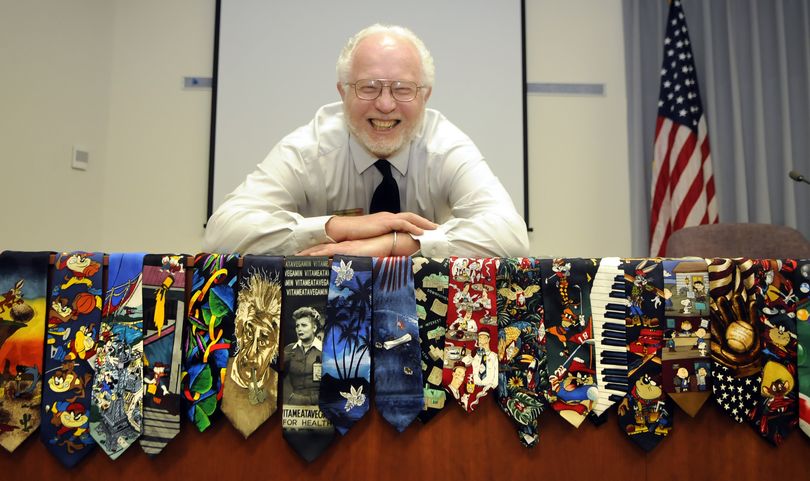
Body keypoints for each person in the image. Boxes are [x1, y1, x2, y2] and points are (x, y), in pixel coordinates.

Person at [203, 24, 529, 258]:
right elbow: (221, 232)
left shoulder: (445, 146)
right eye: (368, 87)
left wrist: (399, 243)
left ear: (425, 95)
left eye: (402, 89)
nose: (385, 104)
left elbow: (511, 236)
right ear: (343, 91)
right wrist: (336, 229)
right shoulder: (309, 148)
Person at [282, 307, 323, 405]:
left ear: (314, 328)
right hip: (295, 404)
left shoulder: (325, 350)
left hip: (320, 404)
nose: (299, 329)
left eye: (303, 325)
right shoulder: (289, 349)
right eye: (297, 326)